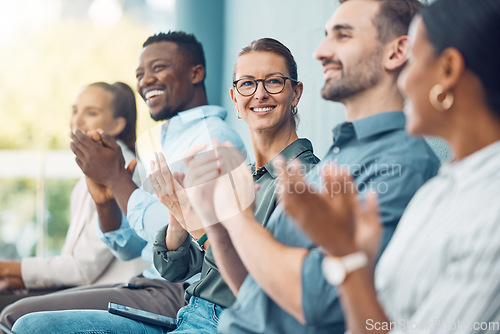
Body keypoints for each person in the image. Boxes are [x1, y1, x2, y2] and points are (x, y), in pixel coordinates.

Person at [181, 0, 441, 333]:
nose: (320, 51)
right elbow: (256, 289)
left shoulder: (402, 164)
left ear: (396, 52)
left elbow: (320, 302)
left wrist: (235, 216)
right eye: (325, 36)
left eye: (342, 36)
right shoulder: (338, 156)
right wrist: (217, 223)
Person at [281, 0, 500, 333]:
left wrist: (346, 257)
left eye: (413, 63)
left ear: (448, 70)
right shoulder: (439, 191)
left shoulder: (490, 212)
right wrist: (354, 259)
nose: (402, 82)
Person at [10, 31, 246, 333]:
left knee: (18, 320)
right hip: (142, 283)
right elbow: (131, 247)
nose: (145, 80)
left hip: (180, 291)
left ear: (196, 73)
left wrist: (116, 179)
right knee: (18, 310)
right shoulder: (162, 141)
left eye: (158, 67)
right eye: (140, 73)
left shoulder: (213, 140)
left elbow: (174, 234)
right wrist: (105, 199)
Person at [149, 38, 320, 333]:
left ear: (296, 93)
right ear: (235, 98)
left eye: (274, 82)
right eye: (247, 84)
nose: (260, 94)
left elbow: (259, 285)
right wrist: (177, 220)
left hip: (227, 323)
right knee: (44, 325)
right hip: (189, 313)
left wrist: (194, 220)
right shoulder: (242, 172)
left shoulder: (304, 180)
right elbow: (175, 269)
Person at [0, 82, 148, 324]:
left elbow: (82, 270)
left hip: (118, 295)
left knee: (12, 314)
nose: (76, 121)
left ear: (118, 125)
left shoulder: (124, 172)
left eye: (91, 113)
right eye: (74, 110)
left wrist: (8, 269)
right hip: (94, 288)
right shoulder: (89, 175)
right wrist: (15, 278)